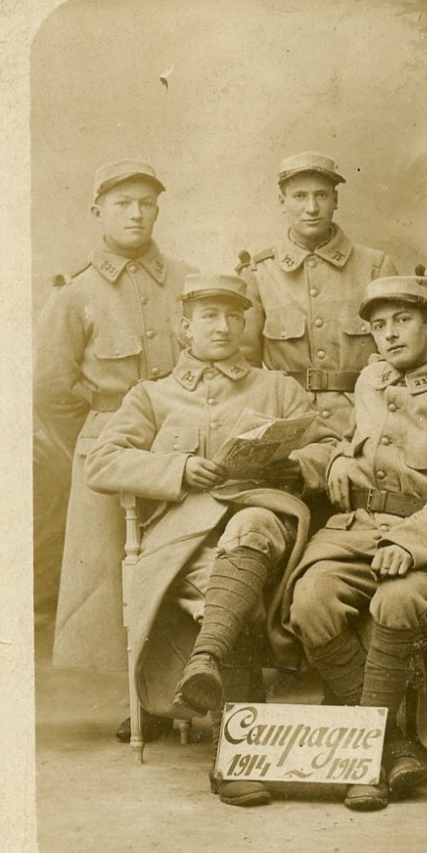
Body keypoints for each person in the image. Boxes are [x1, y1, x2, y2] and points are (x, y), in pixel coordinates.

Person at [85, 273, 340, 806]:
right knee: (229, 580)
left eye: (231, 316)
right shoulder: (152, 395)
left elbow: (333, 446)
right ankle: (241, 746)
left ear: (245, 324)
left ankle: (233, 749)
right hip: (184, 539)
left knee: (248, 533)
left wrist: (297, 463)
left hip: (263, 523)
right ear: (184, 329)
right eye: (208, 317)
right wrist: (177, 468)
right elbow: (103, 462)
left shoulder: (277, 388)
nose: (222, 327)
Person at [289, 275, 427, 811]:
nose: (388, 335)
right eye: (378, 326)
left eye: (402, 321)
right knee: (309, 603)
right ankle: (390, 742)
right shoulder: (370, 382)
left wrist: (410, 544)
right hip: (359, 533)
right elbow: (349, 440)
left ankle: (365, 763)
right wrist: (340, 457)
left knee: (399, 599)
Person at [34, 160, 198, 738]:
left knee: (182, 567)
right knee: (115, 579)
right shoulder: (74, 294)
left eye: (146, 203)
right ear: (98, 210)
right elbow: (51, 390)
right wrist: (98, 435)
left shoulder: (187, 282)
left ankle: (183, 691)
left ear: (157, 210)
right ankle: (140, 702)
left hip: (182, 449)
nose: (135, 213)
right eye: (123, 203)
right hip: (108, 453)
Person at [237, 151, 397, 436]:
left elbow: (399, 358)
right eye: (299, 196)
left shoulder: (375, 266)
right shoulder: (259, 274)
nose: (311, 208)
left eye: (321, 196)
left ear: (336, 200)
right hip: (286, 421)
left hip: (364, 420)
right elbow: (246, 367)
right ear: (281, 202)